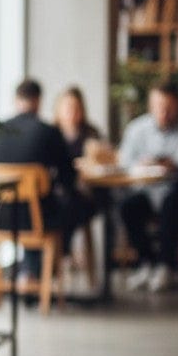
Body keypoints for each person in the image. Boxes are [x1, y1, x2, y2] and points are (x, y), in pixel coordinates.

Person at [117, 79, 178, 293]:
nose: (163, 113)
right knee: (127, 207)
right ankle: (146, 263)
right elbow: (124, 163)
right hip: (146, 190)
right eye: (159, 107)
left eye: (168, 108)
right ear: (150, 106)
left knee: (173, 202)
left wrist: (175, 166)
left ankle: (165, 265)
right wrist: (141, 165)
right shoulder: (136, 129)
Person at [0, 78, 77, 281]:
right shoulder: (48, 132)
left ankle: (30, 270)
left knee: (39, 202)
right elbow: (68, 176)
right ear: (38, 101)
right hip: (35, 218)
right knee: (69, 206)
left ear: (16, 100)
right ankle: (44, 267)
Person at [53, 85, 103, 260]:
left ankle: (62, 256)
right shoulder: (51, 135)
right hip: (59, 194)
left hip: (85, 195)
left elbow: (101, 163)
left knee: (68, 206)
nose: (71, 113)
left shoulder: (91, 135)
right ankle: (52, 259)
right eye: (67, 108)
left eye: (76, 108)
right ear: (58, 110)